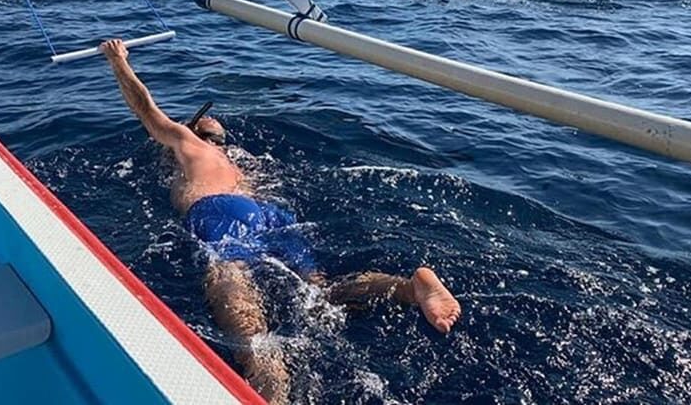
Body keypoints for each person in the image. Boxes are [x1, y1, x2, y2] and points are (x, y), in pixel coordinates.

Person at [100, 39, 461, 404]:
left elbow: (147, 111)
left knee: (235, 290)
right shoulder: (239, 164)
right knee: (320, 294)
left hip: (219, 210)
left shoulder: (188, 143)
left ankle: (273, 394)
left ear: (193, 132)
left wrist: (118, 62)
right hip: (272, 214)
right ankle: (407, 288)